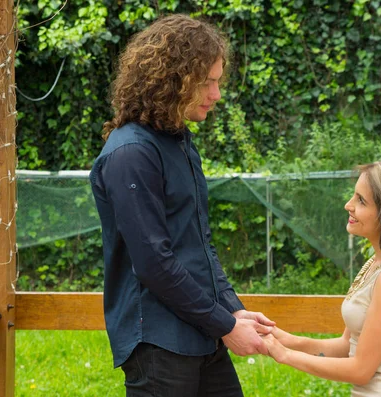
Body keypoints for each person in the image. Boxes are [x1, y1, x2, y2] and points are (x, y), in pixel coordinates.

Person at [89, 14, 275, 397]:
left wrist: (232, 309)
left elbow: (198, 245)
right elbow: (155, 264)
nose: (216, 94)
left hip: (200, 331)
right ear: (172, 80)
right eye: (208, 82)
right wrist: (224, 325)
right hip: (159, 342)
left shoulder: (178, 141)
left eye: (218, 81)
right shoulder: (132, 152)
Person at [261, 160, 381, 396]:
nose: (349, 205)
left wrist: (285, 355)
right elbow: (347, 346)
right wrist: (285, 340)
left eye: (361, 201)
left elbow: (360, 370)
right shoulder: (375, 264)